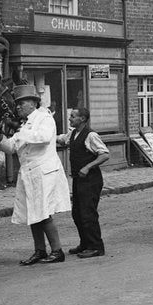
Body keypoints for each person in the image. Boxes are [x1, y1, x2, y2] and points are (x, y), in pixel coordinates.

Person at [0, 85, 70, 265]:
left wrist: (20, 132)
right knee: (32, 213)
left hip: (44, 172)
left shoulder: (45, 118)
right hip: (28, 173)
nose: (18, 106)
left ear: (33, 103)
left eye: (22, 103)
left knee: (43, 212)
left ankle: (57, 251)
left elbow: (44, 138)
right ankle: (40, 251)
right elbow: (11, 147)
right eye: (17, 103)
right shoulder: (24, 124)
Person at [57, 107, 110, 258]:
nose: (70, 118)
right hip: (78, 179)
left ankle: (96, 247)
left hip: (91, 180)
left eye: (73, 116)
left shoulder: (91, 135)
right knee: (77, 213)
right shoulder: (73, 134)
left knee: (88, 214)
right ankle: (85, 243)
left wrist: (88, 167)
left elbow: (105, 154)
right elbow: (61, 139)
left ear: (82, 119)